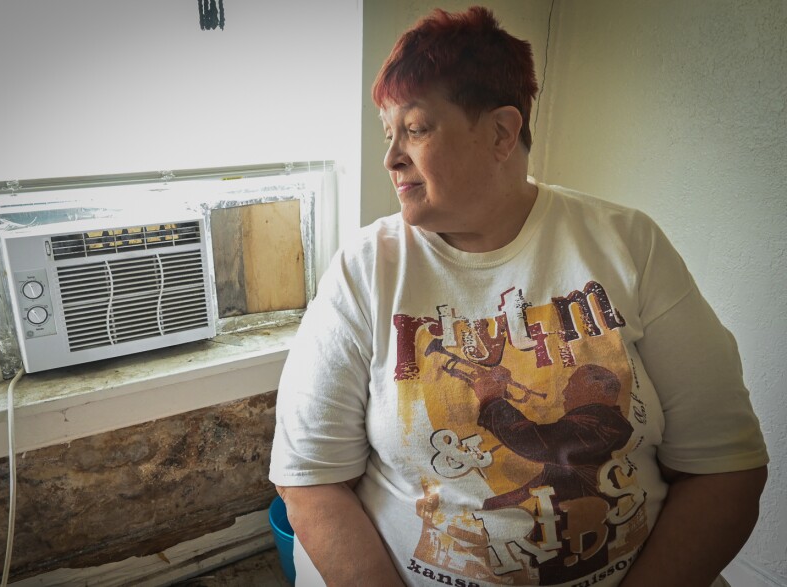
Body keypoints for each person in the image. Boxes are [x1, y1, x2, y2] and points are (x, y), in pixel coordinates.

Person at [269, 6, 768, 587]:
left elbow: (724, 467)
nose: (391, 157)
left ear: (503, 133)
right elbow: (309, 480)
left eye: (417, 128)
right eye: (389, 134)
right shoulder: (365, 270)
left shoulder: (627, 244)